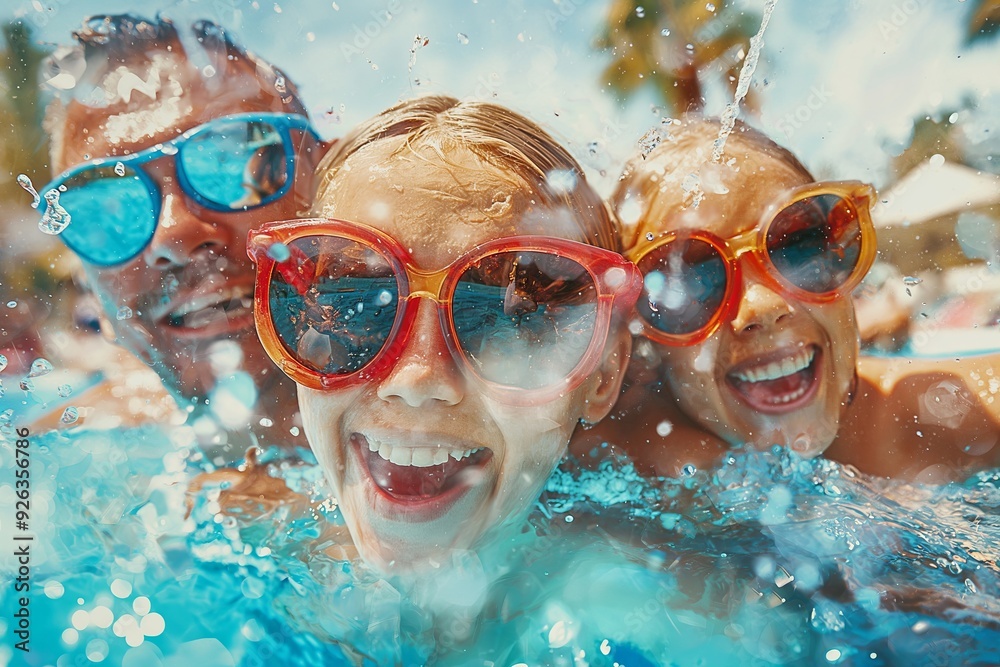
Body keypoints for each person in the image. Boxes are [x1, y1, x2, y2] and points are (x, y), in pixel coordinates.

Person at [247, 95, 640, 573]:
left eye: (503, 320)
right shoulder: (224, 534)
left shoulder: (689, 597)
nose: (417, 381)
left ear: (603, 377)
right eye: (359, 307)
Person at [593, 116, 1000, 482]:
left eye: (801, 249)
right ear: (638, 339)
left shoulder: (946, 416)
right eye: (692, 281)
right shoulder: (608, 459)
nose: (765, 307)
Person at [41, 14, 325, 451]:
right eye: (107, 211)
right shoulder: (56, 459)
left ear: (328, 181)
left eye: (228, 165)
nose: (174, 236)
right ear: (94, 291)